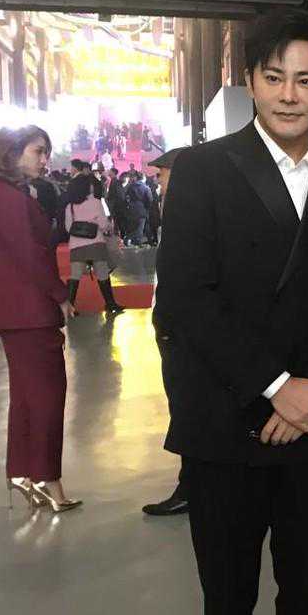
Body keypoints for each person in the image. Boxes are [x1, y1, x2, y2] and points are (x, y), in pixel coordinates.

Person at [155, 9, 308, 615]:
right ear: (250, 80)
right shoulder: (202, 171)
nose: (288, 94)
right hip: (226, 427)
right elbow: (188, 298)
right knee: (227, 608)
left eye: (306, 81)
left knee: (306, 603)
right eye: (274, 76)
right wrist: (277, 385)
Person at [0, 126, 82, 514]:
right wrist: (61, 295)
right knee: (46, 397)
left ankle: (24, 472)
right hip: (29, 309)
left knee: (27, 396)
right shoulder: (6, 197)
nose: (45, 159)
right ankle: (46, 478)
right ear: (12, 152)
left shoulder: (1, 193)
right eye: (38, 151)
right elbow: (31, 255)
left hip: (17, 309)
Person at [142, 146, 192, 517]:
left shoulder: (191, 211)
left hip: (185, 332)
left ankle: (193, 487)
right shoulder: (174, 207)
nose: (158, 181)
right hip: (175, 327)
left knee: (188, 407)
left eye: (162, 174)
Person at [63, 171, 124, 315]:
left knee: (75, 275)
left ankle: (69, 307)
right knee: (102, 273)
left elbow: (68, 227)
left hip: (76, 245)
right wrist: (106, 227)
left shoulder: (70, 206)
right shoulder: (95, 202)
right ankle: (110, 303)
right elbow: (103, 224)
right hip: (95, 243)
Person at [124, 171, 152, 246]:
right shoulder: (146, 187)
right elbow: (150, 200)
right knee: (140, 228)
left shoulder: (130, 186)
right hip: (142, 209)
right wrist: (147, 208)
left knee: (134, 226)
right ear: (143, 178)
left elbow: (126, 197)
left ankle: (135, 241)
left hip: (132, 209)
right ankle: (131, 239)